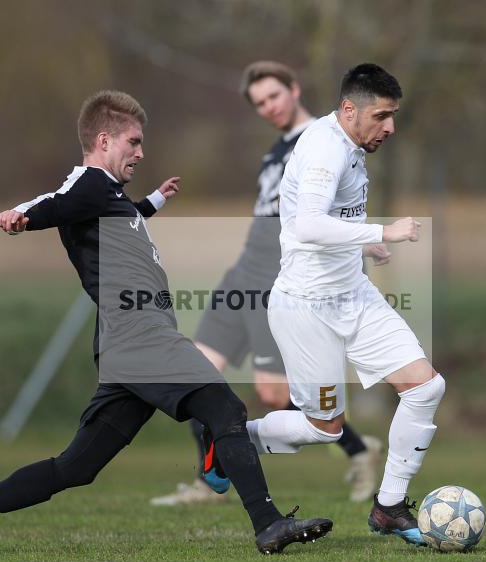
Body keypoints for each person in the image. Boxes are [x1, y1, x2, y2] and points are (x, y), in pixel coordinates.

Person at [0, 90, 332, 557]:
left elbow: (118, 214)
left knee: (76, 468)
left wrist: (156, 200)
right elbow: (57, 201)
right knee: (226, 409)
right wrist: (23, 215)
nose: (141, 152)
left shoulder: (107, 196)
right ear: (104, 140)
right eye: (134, 142)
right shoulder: (89, 186)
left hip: (126, 345)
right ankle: (266, 523)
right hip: (141, 335)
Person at [227, 63, 446, 548]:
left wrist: (362, 246)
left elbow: (323, 221)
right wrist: (382, 231)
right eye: (382, 116)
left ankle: (389, 506)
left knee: (425, 388)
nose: (390, 127)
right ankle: (230, 440)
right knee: (324, 429)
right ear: (350, 110)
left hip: (355, 295)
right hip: (306, 306)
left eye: (393, 116)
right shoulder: (326, 147)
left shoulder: (349, 142)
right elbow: (307, 225)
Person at [151, 61, 381, 507]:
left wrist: (364, 243)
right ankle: (209, 479)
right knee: (195, 371)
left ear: (294, 89)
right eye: (259, 103)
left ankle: (357, 448)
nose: (268, 107)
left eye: (274, 96)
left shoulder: (325, 138)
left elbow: (339, 208)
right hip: (245, 269)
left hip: (279, 274)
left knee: (275, 394)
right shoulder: (277, 150)